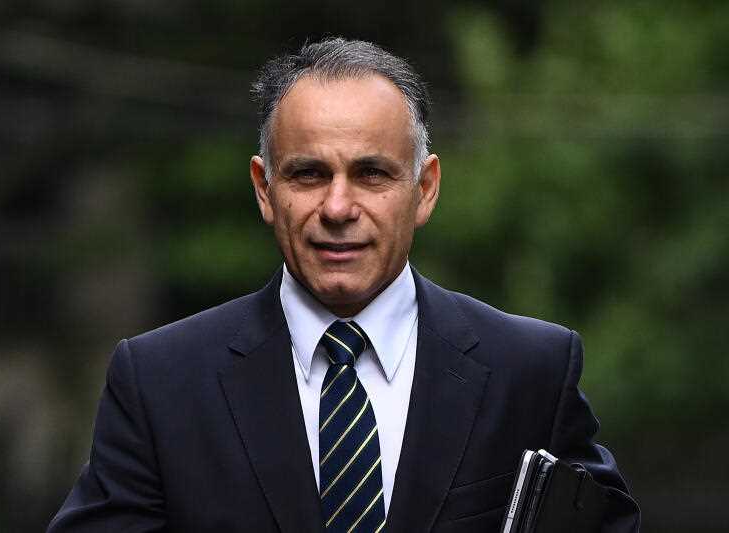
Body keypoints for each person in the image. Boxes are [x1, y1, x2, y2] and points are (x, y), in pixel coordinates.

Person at [48, 38, 640, 532]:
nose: (337, 207)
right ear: (264, 190)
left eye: (371, 173)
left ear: (425, 189)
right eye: (308, 174)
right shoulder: (161, 383)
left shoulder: (529, 372)